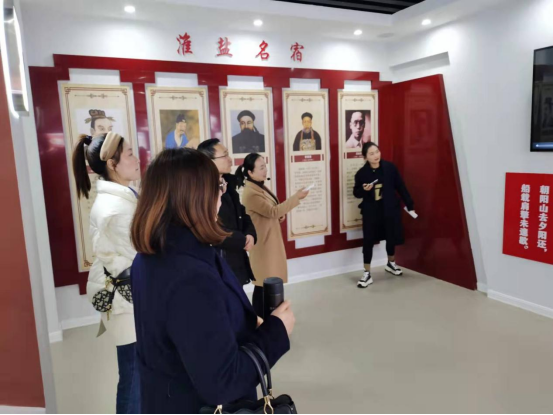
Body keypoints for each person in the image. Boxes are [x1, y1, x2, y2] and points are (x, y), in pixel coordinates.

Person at [130, 149, 295, 414]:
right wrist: (277, 331)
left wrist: (246, 323)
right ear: (194, 197)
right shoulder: (189, 276)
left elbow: (191, 329)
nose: (222, 194)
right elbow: (223, 382)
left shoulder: (154, 255)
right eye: (218, 186)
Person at [72, 132, 141, 414]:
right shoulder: (115, 209)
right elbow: (143, 252)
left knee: (135, 373)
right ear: (112, 164)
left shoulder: (122, 197)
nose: (136, 159)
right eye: (130, 154)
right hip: (126, 303)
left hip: (129, 298)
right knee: (133, 377)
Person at [237, 153, 309, 317]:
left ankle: (268, 319)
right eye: (261, 167)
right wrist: (296, 198)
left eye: (265, 166)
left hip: (269, 241)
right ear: (250, 172)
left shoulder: (259, 186)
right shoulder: (251, 192)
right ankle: (260, 320)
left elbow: (271, 211)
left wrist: (279, 215)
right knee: (262, 284)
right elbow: (272, 211)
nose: (265, 170)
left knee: (267, 283)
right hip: (263, 244)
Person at [353, 142, 415, 288]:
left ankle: (391, 263)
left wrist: (409, 204)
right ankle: (367, 273)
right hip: (371, 211)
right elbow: (356, 193)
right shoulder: (362, 173)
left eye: (377, 151)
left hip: (389, 208)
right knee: (368, 240)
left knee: (390, 235)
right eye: (371, 154)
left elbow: (400, 186)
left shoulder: (390, 168)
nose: (376, 155)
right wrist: (364, 189)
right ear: (365, 157)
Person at [198, 138, 257, 286]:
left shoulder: (228, 183)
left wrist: (250, 234)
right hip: (217, 261)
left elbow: (242, 213)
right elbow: (209, 227)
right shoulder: (201, 191)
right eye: (224, 155)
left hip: (236, 257)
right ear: (209, 162)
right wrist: (241, 239)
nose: (230, 159)